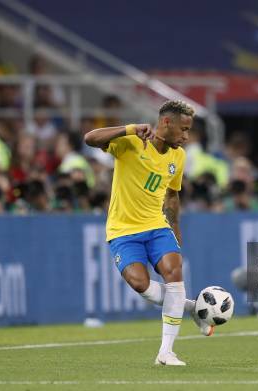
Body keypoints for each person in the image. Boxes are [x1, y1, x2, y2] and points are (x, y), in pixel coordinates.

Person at [84, 100, 210, 367]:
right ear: (166, 122)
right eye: (183, 130)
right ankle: (193, 308)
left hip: (156, 226)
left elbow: (172, 196)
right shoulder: (131, 143)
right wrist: (128, 129)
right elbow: (90, 139)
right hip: (123, 230)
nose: (186, 137)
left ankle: (166, 352)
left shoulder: (178, 156)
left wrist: (175, 230)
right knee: (141, 285)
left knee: (175, 274)